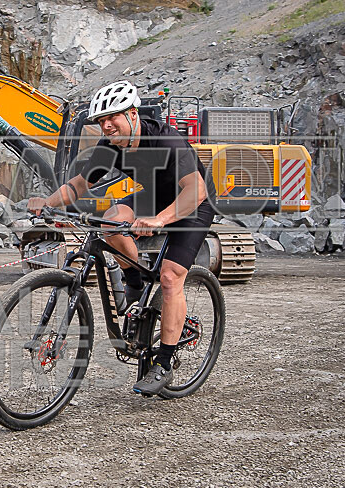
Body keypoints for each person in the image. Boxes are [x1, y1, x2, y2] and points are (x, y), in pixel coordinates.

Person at [28, 80, 216, 396]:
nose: (107, 125)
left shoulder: (166, 141)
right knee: (110, 222)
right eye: (102, 121)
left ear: (132, 114)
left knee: (170, 277)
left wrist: (159, 220)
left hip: (191, 204)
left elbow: (195, 190)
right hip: (153, 197)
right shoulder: (112, 146)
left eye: (113, 117)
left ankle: (165, 364)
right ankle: (135, 280)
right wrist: (48, 202)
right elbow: (78, 184)